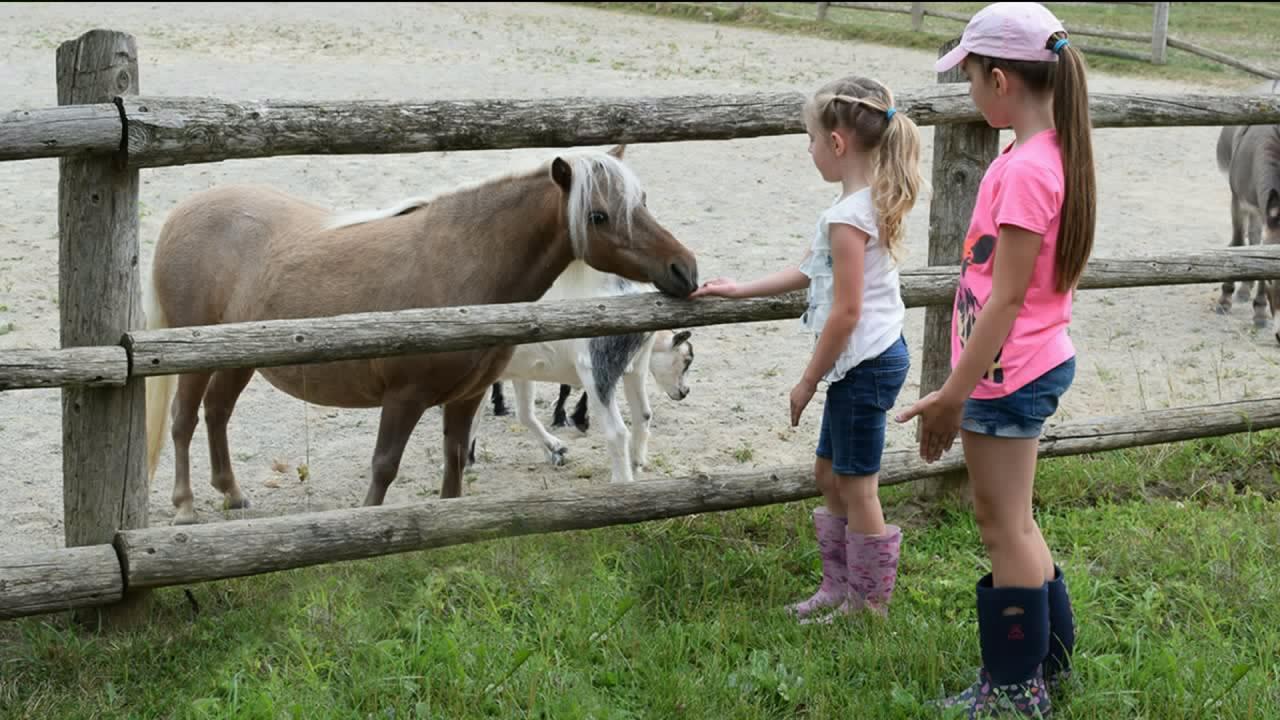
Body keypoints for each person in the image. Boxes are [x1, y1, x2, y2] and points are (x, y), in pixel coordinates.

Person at [894, 2, 1095, 716]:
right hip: (1024, 363)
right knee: (1018, 521)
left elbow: (1006, 300)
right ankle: (1050, 665)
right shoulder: (1040, 155)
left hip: (1007, 373)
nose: (968, 90)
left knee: (999, 526)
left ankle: (1015, 691)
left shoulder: (1026, 172)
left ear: (1002, 80)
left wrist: (954, 392)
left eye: (971, 76)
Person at [691, 75, 924, 625]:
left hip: (863, 364)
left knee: (858, 485)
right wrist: (741, 286)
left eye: (812, 138)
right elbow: (809, 270)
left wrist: (807, 380)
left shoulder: (849, 218)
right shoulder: (862, 203)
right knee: (828, 473)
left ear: (837, 144)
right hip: (864, 360)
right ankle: (838, 585)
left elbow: (845, 312)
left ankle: (868, 606)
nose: (809, 148)